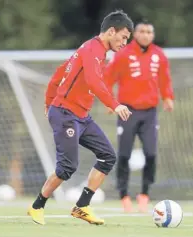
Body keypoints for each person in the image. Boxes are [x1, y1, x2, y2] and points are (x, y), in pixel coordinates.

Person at [27, 10, 134, 226]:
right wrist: (115, 104)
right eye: (123, 37)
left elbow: (58, 75)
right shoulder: (93, 49)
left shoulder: (94, 50)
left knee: (107, 156)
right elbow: (94, 82)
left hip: (80, 116)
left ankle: (82, 206)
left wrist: (49, 103)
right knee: (67, 168)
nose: (124, 43)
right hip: (66, 114)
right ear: (111, 31)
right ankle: (37, 206)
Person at [104, 20, 174, 213]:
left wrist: (167, 97)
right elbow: (109, 77)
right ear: (135, 34)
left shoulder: (159, 55)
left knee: (150, 154)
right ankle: (124, 195)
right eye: (141, 31)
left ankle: (144, 193)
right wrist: (110, 101)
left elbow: (164, 78)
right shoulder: (123, 54)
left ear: (153, 35)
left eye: (149, 32)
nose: (145, 35)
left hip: (150, 112)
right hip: (127, 110)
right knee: (124, 154)